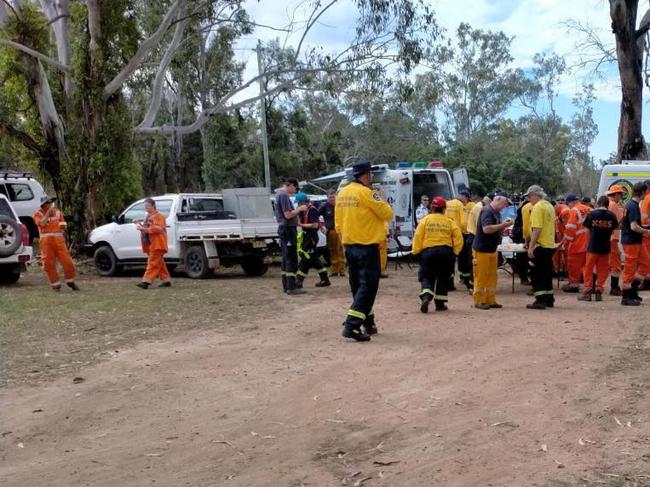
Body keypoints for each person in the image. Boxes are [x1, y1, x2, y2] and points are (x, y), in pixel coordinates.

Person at [335, 161, 393, 341]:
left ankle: (368, 322)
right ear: (366, 175)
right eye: (370, 174)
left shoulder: (342, 193)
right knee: (368, 287)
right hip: (367, 247)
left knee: (358, 286)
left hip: (349, 246)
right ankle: (352, 325)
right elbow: (387, 214)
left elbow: (338, 223)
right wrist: (380, 197)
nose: (372, 177)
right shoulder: (367, 193)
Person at [412, 197, 463, 313]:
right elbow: (458, 238)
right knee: (443, 277)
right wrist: (455, 252)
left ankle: (426, 297)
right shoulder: (449, 221)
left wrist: (416, 252)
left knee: (427, 275)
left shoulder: (425, 220)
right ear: (444, 209)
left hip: (429, 252)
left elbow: (418, 236)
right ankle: (440, 304)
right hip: (445, 252)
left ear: (432, 208)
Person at [472, 194, 512, 310]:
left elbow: (496, 228)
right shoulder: (487, 211)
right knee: (481, 276)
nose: (505, 206)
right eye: (504, 204)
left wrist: (504, 225)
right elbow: (487, 229)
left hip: (491, 249)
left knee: (491, 276)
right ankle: (479, 300)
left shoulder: (496, 212)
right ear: (497, 200)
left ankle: (490, 300)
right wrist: (504, 224)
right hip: (481, 250)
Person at [33, 196, 79, 291]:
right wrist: (48, 214)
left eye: (51, 202)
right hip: (46, 242)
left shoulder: (58, 212)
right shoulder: (37, 214)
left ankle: (70, 281)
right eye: (48, 203)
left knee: (68, 261)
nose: (50, 205)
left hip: (59, 241)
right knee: (48, 264)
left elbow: (62, 224)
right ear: (43, 204)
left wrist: (63, 228)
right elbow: (41, 223)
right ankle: (55, 284)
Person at [578, 195, 619, 302]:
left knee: (588, 269)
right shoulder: (612, 216)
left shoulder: (592, 214)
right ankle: (599, 291)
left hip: (592, 247)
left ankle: (587, 292)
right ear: (607, 204)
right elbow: (614, 230)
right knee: (603, 270)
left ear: (598, 203)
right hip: (605, 247)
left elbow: (586, 230)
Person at [525, 185, 557, 309]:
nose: (528, 199)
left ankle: (540, 300)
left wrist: (531, 247)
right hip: (549, 245)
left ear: (534, 195)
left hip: (540, 246)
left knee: (536, 273)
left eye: (529, 196)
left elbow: (537, 229)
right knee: (547, 273)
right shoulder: (549, 206)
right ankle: (549, 299)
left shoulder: (537, 207)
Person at [274, 177, 308, 295]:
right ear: (291, 185)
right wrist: (299, 209)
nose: (295, 191)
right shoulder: (283, 196)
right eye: (296, 188)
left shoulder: (279, 195)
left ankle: (287, 285)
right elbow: (288, 215)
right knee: (291, 258)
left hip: (286, 229)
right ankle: (291, 287)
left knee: (286, 258)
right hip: (287, 230)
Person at [620, 182, 650, 305]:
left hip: (635, 240)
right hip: (631, 241)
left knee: (646, 263)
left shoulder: (633, 205)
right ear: (642, 192)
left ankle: (633, 290)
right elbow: (633, 226)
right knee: (629, 268)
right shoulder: (633, 206)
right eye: (646, 192)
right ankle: (626, 297)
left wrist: (644, 228)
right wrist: (647, 231)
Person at [295, 192, 331, 288]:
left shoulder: (312, 210)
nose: (298, 205)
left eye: (298, 203)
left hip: (312, 236)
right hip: (307, 236)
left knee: (306, 257)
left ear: (303, 202)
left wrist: (301, 225)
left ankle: (298, 281)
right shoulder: (304, 211)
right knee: (313, 258)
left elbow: (315, 225)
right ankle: (325, 280)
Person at [136, 198, 171, 289]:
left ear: (153, 206)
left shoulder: (159, 216)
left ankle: (146, 281)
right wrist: (139, 225)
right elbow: (147, 228)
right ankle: (166, 280)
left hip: (158, 244)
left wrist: (144, 229)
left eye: (148, 206)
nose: (146, 208)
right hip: (151, 244)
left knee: (152, 263)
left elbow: (158, 228)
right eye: (145, 206)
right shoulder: (148, 216)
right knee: (159, 263)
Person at [445, 189, 475, 290]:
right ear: (465, 197)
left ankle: (449, 283)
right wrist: (466, 233)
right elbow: (463, 222)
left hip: (446, 234)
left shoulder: (447, 203)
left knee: (449, 259)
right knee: (463, 257)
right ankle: (467, 281)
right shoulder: (460, 205)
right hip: (458, 234)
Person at [562, 194, 591, 293]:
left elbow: (570, 228)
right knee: (587, 266)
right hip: (590, 243)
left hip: (577, 243)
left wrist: (565, 243)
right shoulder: (589, 209)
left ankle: (574, 284)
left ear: (571, 202)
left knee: (573, 265)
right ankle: (589, 285)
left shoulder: (574, 211)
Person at [318, 191, 346, 276]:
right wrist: (321, 226)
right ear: (327, 197)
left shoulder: (341, 205)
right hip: (331, 231)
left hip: (341, 231)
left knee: (341, 250)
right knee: (332, 250)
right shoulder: (324, 206)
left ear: (336, 197)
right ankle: (334, 270)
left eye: (333, 197)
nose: (332, 199)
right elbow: (315, 215)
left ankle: (342, 270)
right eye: (330, 197)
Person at [606, 185, 626, 295]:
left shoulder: (608, 204)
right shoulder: (613, 205)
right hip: (613, 238)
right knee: (616, 264)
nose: (621, 197)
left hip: (608, 238)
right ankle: (614, 288)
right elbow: (619, 222)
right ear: (617, 194)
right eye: (621, 194)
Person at [640, 180, 650, 290]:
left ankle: (647, 281)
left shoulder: (647, 199)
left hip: (646, 232)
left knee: (646, 258)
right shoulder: (646, 199)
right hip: (645, 231)